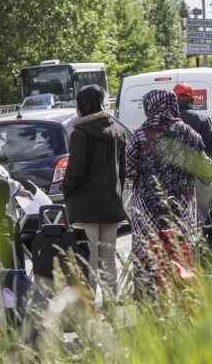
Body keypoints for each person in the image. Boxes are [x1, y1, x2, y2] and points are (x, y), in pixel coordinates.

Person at [127, 89, 212, 299]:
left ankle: (148, 302)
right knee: (181, 255)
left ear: (150, 107)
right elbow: (206, 169)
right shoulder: (188, 133)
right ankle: (183, 299)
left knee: (148, 255)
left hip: (147, 208)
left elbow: (129, 171)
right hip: (180, 207)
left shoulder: (140, 135)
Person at [63, 85, 126, 297]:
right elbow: (122, 171)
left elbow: (75, 171)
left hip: (85, 206)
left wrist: (67, 191)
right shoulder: (118, 131)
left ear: (83, 104)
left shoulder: (80, 134)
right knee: (108, 260)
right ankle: (111, 310)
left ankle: (91, 311)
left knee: (89, 261)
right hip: (111, 203)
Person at [173, 82, 212, 222]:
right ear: (193, 100)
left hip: (174, 177)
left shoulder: (165, 121)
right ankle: (207, 242)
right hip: (201, 176)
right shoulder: (202, 119)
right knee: (207, 217)